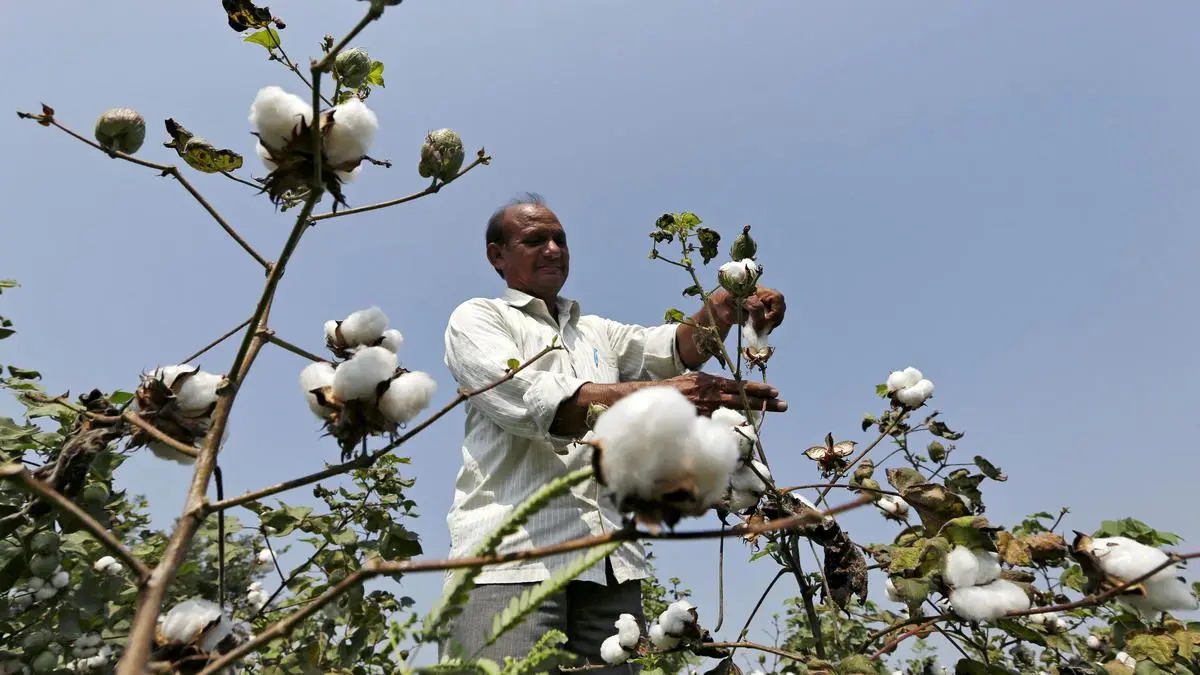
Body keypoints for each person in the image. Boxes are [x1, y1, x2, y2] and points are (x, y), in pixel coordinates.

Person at [440, 194, 788, 671]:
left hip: (610, 570)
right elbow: (533, 402)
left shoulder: (596, 333)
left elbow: (677, 348)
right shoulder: (479, 319)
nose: (553, 249)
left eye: (560, 239)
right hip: (510, 564)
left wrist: (726, 305)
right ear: (497, 256)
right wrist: (664, 396)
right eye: (534, 239)